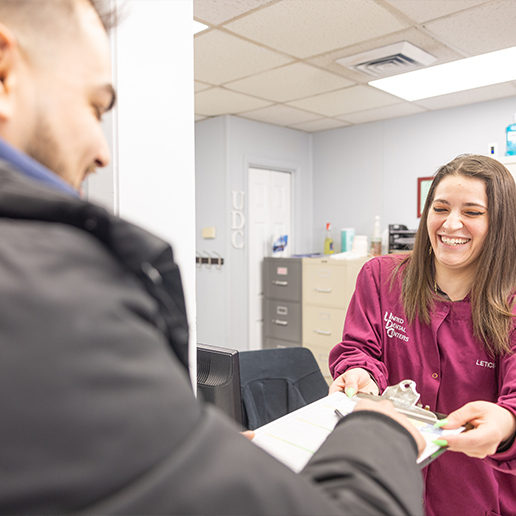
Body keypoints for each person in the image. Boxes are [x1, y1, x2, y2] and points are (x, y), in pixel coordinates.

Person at [0, 1, 428, 514]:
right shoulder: (45, 291)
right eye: (94, 108)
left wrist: (194, 453)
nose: (103, 153)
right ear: (6, 72)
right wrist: (381, 429)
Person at [329, 154, 516, 516]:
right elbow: (359, 348)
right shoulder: (382, 277)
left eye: (473, 212)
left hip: (476, 496)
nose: (452, 223)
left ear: (501, 223)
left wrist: (507, 424)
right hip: (389, 481)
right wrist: (358, 373)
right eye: (440, 208)